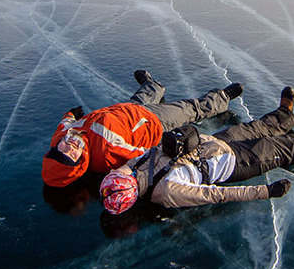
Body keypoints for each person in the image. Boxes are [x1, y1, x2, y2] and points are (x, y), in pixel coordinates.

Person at [99, 86, 294, 214]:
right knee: (291, 147)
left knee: (257, 127)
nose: (126, 171)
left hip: (214, 142)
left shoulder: (133, 166)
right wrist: (266, 191)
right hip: (235, 162)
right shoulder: (168, 191)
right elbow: (217, 195)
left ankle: (284, 115)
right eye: (124, 175)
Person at [41, 70, 245, 187]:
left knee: (146, 94)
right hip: (152, 122)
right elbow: (142, 155)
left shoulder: (63, 136)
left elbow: (65, 125)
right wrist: (166, 143)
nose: (70, 145)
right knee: (191, 109)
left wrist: (71, 115)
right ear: (79, 164)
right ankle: (223, 97)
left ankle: (153, 84)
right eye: (71, 154)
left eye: (62, 148)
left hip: (126, 110)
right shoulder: (105, 154)